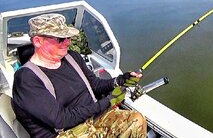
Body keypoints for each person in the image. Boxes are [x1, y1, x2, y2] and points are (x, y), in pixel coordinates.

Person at [12, 13, 147, 138]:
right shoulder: (26, 79)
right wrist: (106, 102)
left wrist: (119, 80)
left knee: (137, 120)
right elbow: (61, 119)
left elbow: (94, 84)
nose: (68, 42)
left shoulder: (72, 57)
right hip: (66, 132)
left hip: (94, 119)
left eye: (68, 37)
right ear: (38, 41)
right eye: (61, 39)